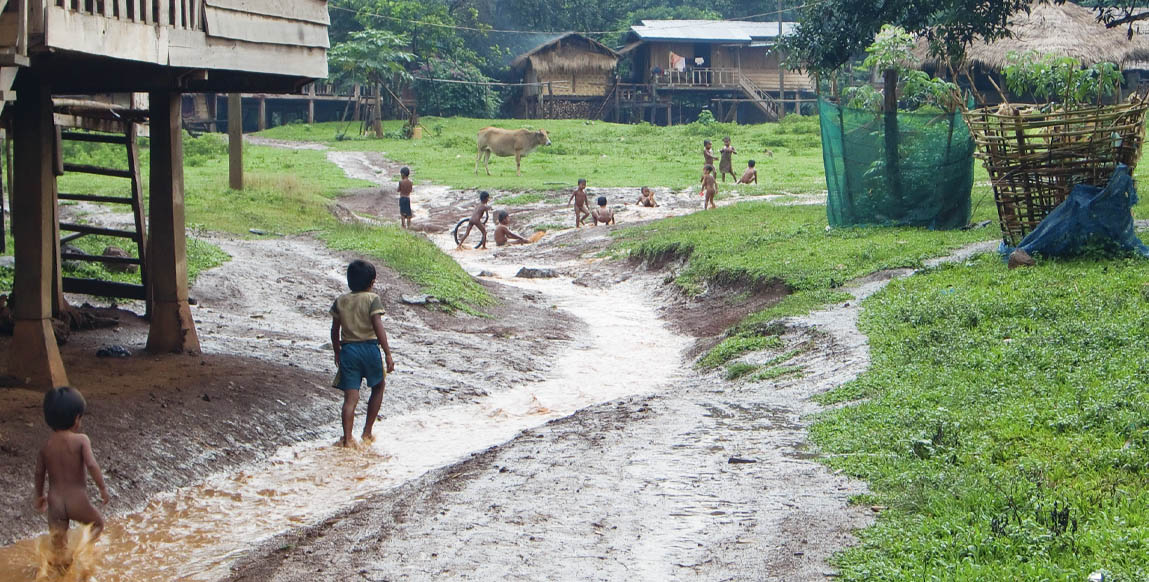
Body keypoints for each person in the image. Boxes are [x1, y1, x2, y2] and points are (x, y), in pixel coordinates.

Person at [34, 386, 111, 561]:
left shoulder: (46, 447)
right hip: (77, 500)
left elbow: (39, 473)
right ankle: (80, 554)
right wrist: (102, 488)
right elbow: (91, 464)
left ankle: (60, 568)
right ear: (77, 419)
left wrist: (38, 496)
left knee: (58, 544)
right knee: (98, 524)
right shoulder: (81, 440)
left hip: (55, 503)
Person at [330, 260, 395, 448]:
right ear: (372, 282)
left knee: (350, 398)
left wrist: (337, 350)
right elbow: (378, 327)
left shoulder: (340, 301)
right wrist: (388, 353)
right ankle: (367, 432)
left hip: (348, 351)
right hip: (370, 349)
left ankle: (348, 439)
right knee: (378, 386)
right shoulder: (372, 299)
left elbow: (334, 330)